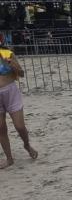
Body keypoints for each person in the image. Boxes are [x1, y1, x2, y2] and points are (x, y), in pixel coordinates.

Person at [0, 37, 38, 169]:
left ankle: (27, 144)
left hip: (10, 91)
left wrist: (11, 63)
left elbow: (21, 74)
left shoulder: (7, 53)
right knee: (1, 127)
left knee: (20, 126)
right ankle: (9, 158)